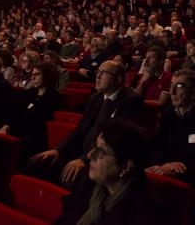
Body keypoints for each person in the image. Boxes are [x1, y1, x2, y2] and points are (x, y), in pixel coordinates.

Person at [30, 60, 146, 188]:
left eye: (104, 73)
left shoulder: (131, 101)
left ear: (118, 80)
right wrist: (58, 150)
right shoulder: (95, 98)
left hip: (100, 160)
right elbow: (79, 131)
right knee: (41, 163)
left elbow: (116, 143)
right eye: (98, 72)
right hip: (79, 153)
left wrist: (84, 160)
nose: (98, 76)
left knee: (74, 180)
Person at [57, 119, 161, 225]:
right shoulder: (91, 185)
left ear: (125, 167)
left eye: (102, 151)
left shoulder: (144, 212)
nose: (90, 155)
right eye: (95, 147)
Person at [147, 69, 195, 197]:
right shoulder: (168, 113)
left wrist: (177, 170)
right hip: (166, 172)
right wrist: (166, 165)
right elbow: (157, 147)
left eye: (179, 87)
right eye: (171, 86)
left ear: (194, 92)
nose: (172, 92)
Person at [9, 61, 61, 168]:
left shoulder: (54, 98)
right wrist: (7, 125)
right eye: (32, 75)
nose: (33, 78)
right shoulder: (29, 93)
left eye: (37, 74)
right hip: (19, 134)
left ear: (47, 75)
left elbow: (43, 125)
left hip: (35, 141)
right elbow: (15, 113)